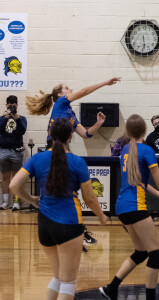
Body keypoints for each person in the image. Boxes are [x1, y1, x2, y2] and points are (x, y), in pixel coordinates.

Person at [10, 118, 108, 300]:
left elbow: (14, 186)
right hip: (68, 223)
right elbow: (90, 198)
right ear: (71, 137)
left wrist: (32, 200)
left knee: (57, 278)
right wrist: (101, 216)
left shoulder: (37, 159)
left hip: (44, 225)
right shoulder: (77, 162)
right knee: (68, 282)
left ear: (49, 135)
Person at [26, 77, 120, 250]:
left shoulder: (70, 112)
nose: (71, 89)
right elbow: (83, 91)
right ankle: (73, 230)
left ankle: (72, 230)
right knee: (61, 191)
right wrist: (104, 82)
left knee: (65, 190)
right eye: (67, 87)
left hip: (63, 152)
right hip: (53, 150)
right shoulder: (61, 103)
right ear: (60, 94)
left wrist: (98, 124)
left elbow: (86, 134)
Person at [99, 114, 159, 300]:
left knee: (141, 252)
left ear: (128, 131)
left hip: (122, 207)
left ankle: (111, 288)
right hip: (135, 207)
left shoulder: (125, 150)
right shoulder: (146, 150)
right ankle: (150, 297)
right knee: (155, 253)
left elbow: (140, 182)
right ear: (144, 130)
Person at [0, 95, 27, 211]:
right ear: (6, 105)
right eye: (9, 106)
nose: (11, 108)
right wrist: (6, 116)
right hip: (3, 150)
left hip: (16, 150)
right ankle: (5, 202)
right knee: (5, 177)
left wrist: (16, 117)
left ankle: (16, 202)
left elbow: (22, 131)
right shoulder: (2, 118)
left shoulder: (22, 118)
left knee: (16, 178)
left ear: (17, 106)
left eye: (14, 106)